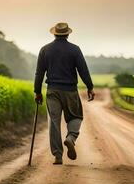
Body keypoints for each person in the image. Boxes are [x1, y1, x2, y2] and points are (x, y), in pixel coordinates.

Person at [34, 22, 95, 165]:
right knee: (76, 116)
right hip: (70, 91)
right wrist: (90, 87)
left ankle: (57, 156)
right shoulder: (74, 50)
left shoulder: (45, 50)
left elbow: (39, 73)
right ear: (67, 34)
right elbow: (83, 70)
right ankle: (71, 138)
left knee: (54, 123)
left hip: (52, 91)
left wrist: (37, 91)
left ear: (54, 33)